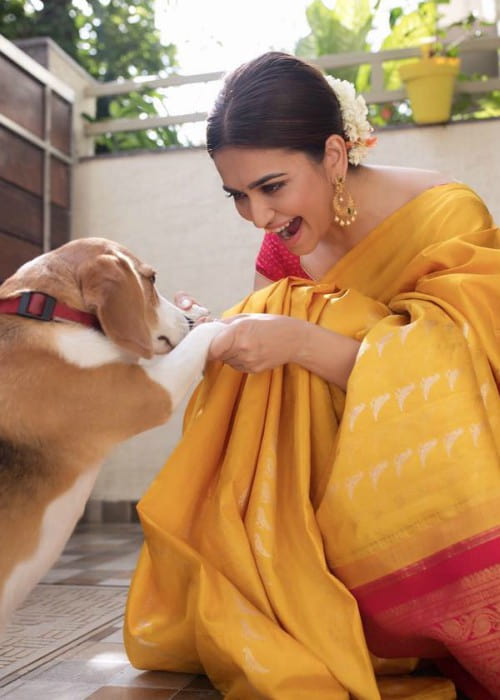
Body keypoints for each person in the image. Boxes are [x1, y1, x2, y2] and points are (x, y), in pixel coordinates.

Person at [125, 52, 500, 699]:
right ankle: (304, 596)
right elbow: (267, 380)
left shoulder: (445, 218)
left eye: (272, 187)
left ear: (333, 155)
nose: (259, 216)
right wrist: (215, 331)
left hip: (434, 479)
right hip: (323, 491)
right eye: (237, 195)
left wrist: (299, 337)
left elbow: (462, 377)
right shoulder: (283, 248)